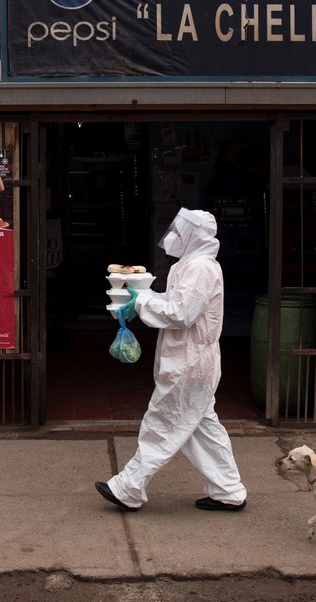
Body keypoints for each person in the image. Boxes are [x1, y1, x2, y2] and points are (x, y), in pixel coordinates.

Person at [96, 208, 247, 513]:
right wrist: (141, 302)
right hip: (190, 362)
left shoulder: (201, 268)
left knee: (162, 424)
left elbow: (182, 314)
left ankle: (129, 487)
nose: (173, 238)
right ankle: (228, 490)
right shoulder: (188, 266)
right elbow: (174, 303)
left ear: (194, 235)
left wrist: (142, 301)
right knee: (202, 429)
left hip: (190, 364)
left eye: (179, 232)